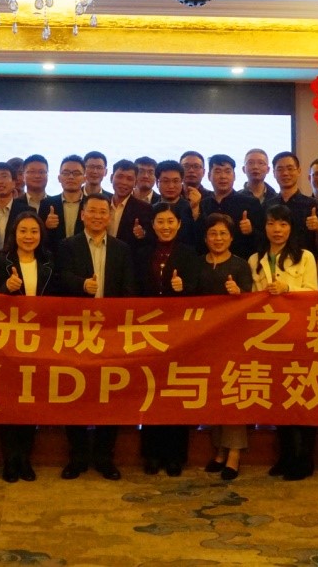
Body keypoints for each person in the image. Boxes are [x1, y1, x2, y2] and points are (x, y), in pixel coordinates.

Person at [52, 193, 135, 479]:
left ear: (109, 217)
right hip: (77, 331)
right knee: (74, 394)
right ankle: (77, 457)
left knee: (109, 395)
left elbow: (129, 288)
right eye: (93, 211)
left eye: (103, 212)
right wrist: (81, 285)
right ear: (83, 215)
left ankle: (104, 457)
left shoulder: (122, 249)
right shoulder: (67, 246)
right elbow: (59, 279)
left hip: (111, 332)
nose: (98, 216)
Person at [248, 205, 318, 480]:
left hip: (298, 334)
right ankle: (286, 456)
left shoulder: (305, 257)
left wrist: (288, 289)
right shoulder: (255, 259)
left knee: (301, 395)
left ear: (291, 228)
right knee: (279, 397)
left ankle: (303, 459)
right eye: (271, 224)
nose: (277, 230)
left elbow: (314, 293)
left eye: (283, 224)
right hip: (268, 337)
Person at [135, 202, 204, 476]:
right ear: (153, 225)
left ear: (179, 224)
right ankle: (151, 454)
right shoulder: (142, 253)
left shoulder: (189, 253)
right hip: (149, 332)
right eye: (160, 222)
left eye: (170, 221)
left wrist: (182, 288)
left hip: (179, 334)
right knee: (151, 392)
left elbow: (198, 289)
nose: (166, 227)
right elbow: (134, 290)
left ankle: (176, 456)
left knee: (176, 392)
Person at [0, 212, 54, 483]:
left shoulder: (49, 261)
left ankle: (25, 458)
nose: (29, 236)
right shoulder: (1, 261)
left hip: (40, 340)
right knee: (8, 400)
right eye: (23, 231)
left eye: (34, 231)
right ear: (14, 234)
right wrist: (6, 287)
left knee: (31, 400)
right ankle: (9, 459)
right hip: (8, 340)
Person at [200, 213, 254, 480]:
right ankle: (220, 450)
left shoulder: (240, 265)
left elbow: (252, 303)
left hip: (234, 340)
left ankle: (234, 453)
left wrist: (239, 294)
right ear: (205, 238)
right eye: (213, 234)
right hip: (204, 341)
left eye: (223, 234)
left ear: (231, 238)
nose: (218, 238)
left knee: (233, 393)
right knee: (213, 394)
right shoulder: (198, 264)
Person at [199, 154, 264, 261]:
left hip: (242, 264)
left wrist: (251, 231)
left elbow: (264, 239)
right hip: (208, 265)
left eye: (227, 171)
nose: (223, 176)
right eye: (218, 171)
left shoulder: (250, 203)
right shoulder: (203, 204)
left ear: (234, 176)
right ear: (209, 176)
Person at [265, 151, 318, 255]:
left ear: (299, 171)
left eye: (290, 168)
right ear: (274, 173)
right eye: (280, 169)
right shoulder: (267, 205)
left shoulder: (313, 205)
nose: (285, 173)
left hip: (305, 261)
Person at [107, 159, 154, 262]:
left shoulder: (145, 209)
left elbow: (149, 241)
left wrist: (142, 234)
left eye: (129, 179)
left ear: (135, 182)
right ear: (111, 178)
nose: (124, 182)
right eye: (120, 177)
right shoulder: (102, 203)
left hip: (127, 263)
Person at [41, 155, 86, 244]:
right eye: (66, 173)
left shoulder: (91, 204)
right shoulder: (47, 203)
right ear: (59, 178)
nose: (71, 177)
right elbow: (39, 236)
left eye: (76, 173)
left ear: (84, 179)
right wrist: (46, 226)